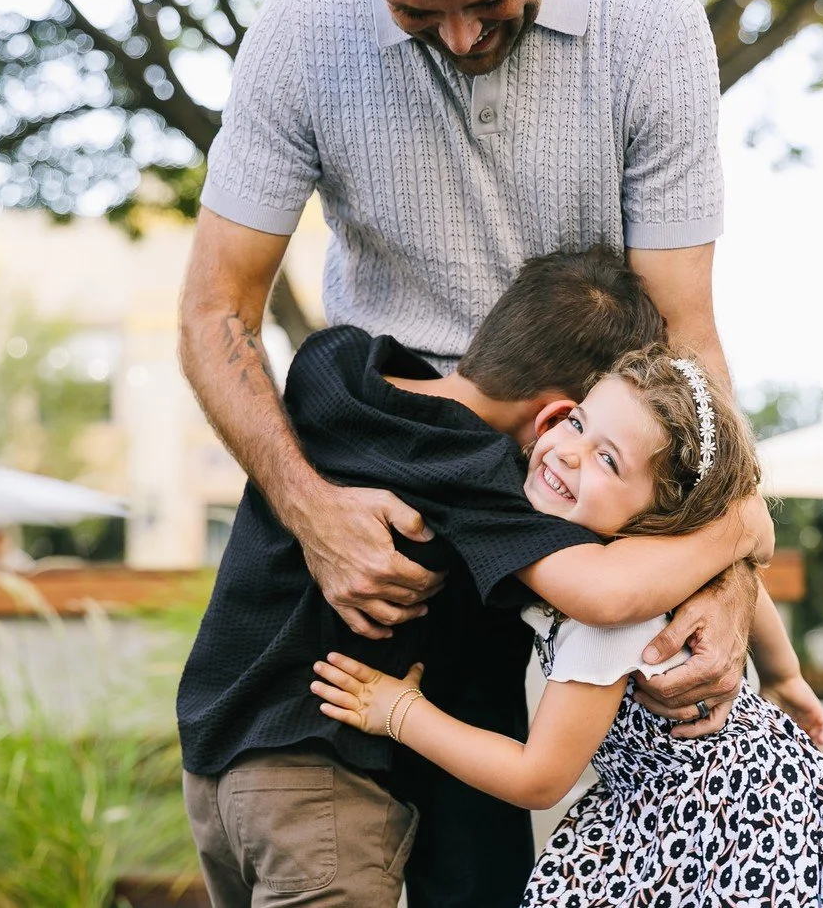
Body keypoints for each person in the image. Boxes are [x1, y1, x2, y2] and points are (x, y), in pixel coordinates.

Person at [178, 0, 756, 773]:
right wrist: (310, 509)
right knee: (324, 808)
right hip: (373, 469)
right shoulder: (302, 24)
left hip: (569, 490)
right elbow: (215, 311)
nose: (458, 36)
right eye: (414, 15)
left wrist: (728, 574)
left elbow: (683, 333)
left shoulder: (650, 21)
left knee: (492, 853)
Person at [178, 248, 775, 908]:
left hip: (211, 759)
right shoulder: (481, 478)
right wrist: (741, 526)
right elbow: (605, 592)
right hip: (319, 786)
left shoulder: (333, 364)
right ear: (552, 416)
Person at [314, 345, 823, 907]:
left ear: (662, 517)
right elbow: (746, 580)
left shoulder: (613, 619)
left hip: (735, 819)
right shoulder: (667, 560)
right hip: (672, 798)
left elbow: (540, 779)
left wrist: (401, 711)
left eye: (609, 460)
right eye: (577, 422)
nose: (570, 453)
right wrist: (783, 675)